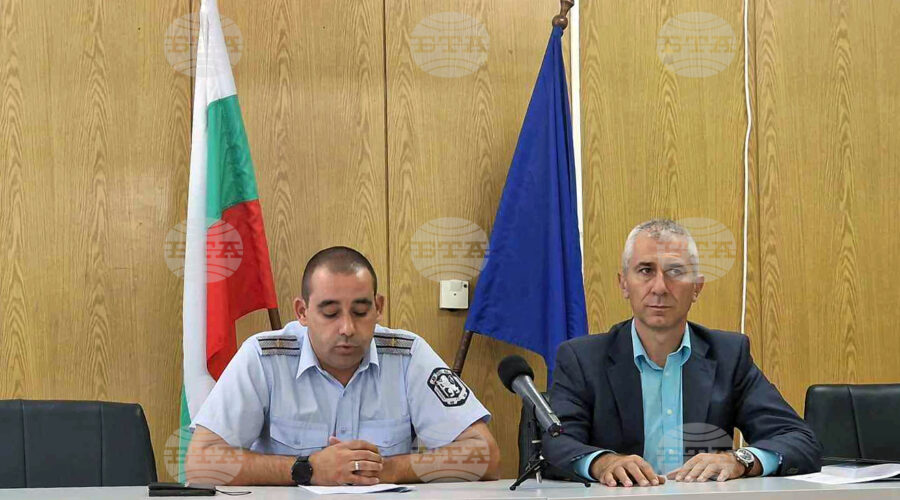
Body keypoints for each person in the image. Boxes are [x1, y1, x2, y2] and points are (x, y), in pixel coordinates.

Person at [186, 246, 500, 486]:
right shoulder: (264, 357)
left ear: (378, 308)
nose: (347, 328)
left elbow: (485, 454)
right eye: (330, 313)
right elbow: (201, 463)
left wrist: (389, 469)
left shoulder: (407, 355)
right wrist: (306, 469)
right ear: (302, 312)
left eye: (361, 312)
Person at [543, 219, 822, 488]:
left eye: (675, 271)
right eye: (645, 270)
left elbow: (799, 440)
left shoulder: (728, 355)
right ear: (624, 284)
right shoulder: (582, 359)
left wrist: (740, 460)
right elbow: (554, 445)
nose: (660, 288)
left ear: (697, 287)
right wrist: (602, 463)